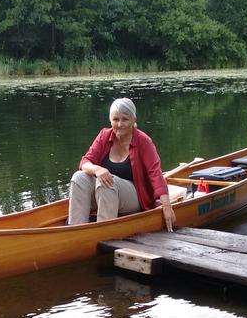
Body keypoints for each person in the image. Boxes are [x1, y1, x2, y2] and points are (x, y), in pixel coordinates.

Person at [68, 98, 176, 231]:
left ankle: (103, 231)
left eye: (125, 119)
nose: (120, 124)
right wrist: (97, 169)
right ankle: (75, 230)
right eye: (115, 119)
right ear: (110, 120)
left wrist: (166, 206)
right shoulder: (104, 136)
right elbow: (84, 162)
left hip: (135, 197)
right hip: (104, 193)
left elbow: (155, 174)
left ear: (133, 119)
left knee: (106, 182)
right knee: (79, 177)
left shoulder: (144, 141)